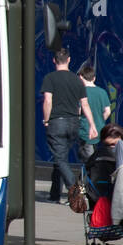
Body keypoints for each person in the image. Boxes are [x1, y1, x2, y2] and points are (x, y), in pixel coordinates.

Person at [41, 48, 98, 202]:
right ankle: (55, 193)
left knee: (60, 159)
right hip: (74, 122)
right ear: (69, 60)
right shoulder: (76, 80)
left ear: (54, 61)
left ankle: (75, 189)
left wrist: (46, 120)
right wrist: (92, 125)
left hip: (57, 122)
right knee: (62, 158)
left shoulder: (50, 78)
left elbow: (48, 100)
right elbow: (84, 105)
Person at [78, 65, 112, 163]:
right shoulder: (102, 92)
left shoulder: (81, 92)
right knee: (99, 156)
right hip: (100, 130)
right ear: (94, 78)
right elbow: (108, 111)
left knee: (88, 160)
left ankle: (89, 176)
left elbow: (78, 111)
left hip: (85, 131)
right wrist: (100, 120)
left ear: (81, 77)